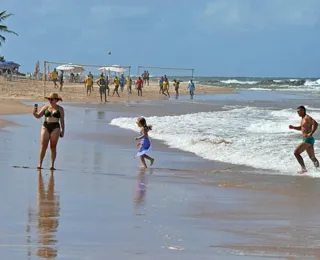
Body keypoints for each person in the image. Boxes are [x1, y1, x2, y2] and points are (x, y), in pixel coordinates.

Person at [32, 93, 65, 170]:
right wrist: (34, 113)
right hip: (46, 126)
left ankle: (52, 165)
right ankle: (40, 163)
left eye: (52, 99)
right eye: (49, 99)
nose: (50, 100)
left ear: (56, 100)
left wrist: (62, 130)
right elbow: (38, 116)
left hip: (55, 127)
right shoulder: (46, 107)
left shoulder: (60, 109)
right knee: (43, 145)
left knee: (53, 146)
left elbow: (62, 121)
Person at [289, 105, 319, 174]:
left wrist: (311, 133)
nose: (297, 113)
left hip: (307, 140)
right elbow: (302, 128)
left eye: (298, 111)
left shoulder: (306, 117)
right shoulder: (303, 119)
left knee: (296, 153)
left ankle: (303, 169)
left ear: (303, 110)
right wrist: (294, 127)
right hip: (309, 140)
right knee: (312, 157)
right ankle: (318, 171)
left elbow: (316, 124)